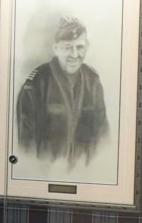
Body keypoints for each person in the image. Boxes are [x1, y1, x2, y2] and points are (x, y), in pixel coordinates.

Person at [16, 16, 109, 167]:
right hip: (45, 173)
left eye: (79, 47)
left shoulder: (93, 81)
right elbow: (26, 147)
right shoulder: (35, 85)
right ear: (55, 49)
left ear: (86, 47)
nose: (74, 55)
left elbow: (103, 137)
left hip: (85, 174)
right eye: (67, 47)